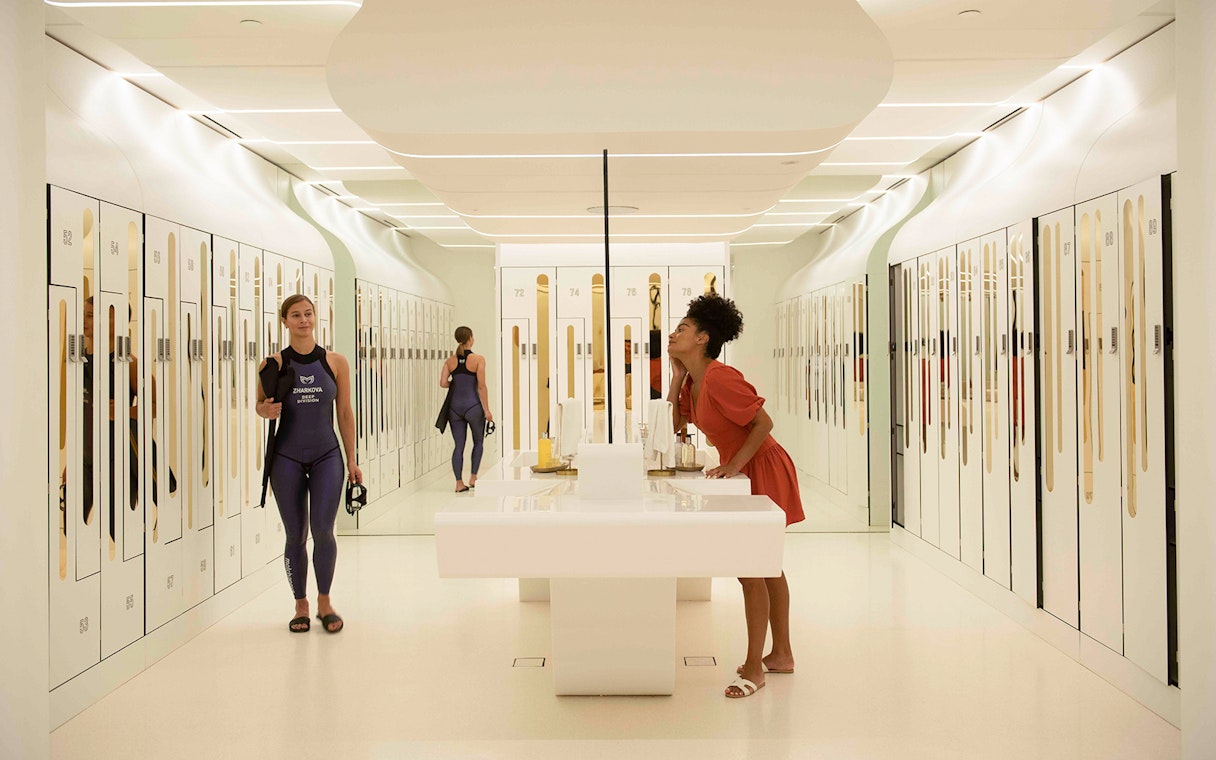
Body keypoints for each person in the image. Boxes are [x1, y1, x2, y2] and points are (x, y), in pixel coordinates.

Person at [667, 294, 805, 699]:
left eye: (683, 329)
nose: (674, 334)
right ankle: (780, 654)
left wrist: (734, 465)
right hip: (746, 469)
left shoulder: (721, 377)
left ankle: (753, 668)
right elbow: (676, 425)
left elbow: (763, 422)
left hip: (761, 466)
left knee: (752, 568)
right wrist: (676, 377)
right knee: (767, 566)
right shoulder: (694, 380)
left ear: (704, 339)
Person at [256, 294, 360, 633]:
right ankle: (300, 604)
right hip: (285, 457)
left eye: (309, 314)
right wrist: (263, 410)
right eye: (296, 315)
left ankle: (324, 602)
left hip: (327, 456)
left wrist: (353, 460)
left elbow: (344, 413)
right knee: (295, 535)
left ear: (316, 318)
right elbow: (260, 404)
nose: (303, 320)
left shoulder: (335, 362)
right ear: (284, 321)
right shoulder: (271, 364)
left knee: (324, 531)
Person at [440, 326, 493, 492]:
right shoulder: (478, 360)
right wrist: (487, 410)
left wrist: (455, 384)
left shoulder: (450, 361)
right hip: (473, 407)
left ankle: (458, 483)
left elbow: (442, 383)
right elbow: (482, 386)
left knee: (459, 445)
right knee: (478, 442)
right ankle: (473, 477)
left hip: (454, 408)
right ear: (471, 338)